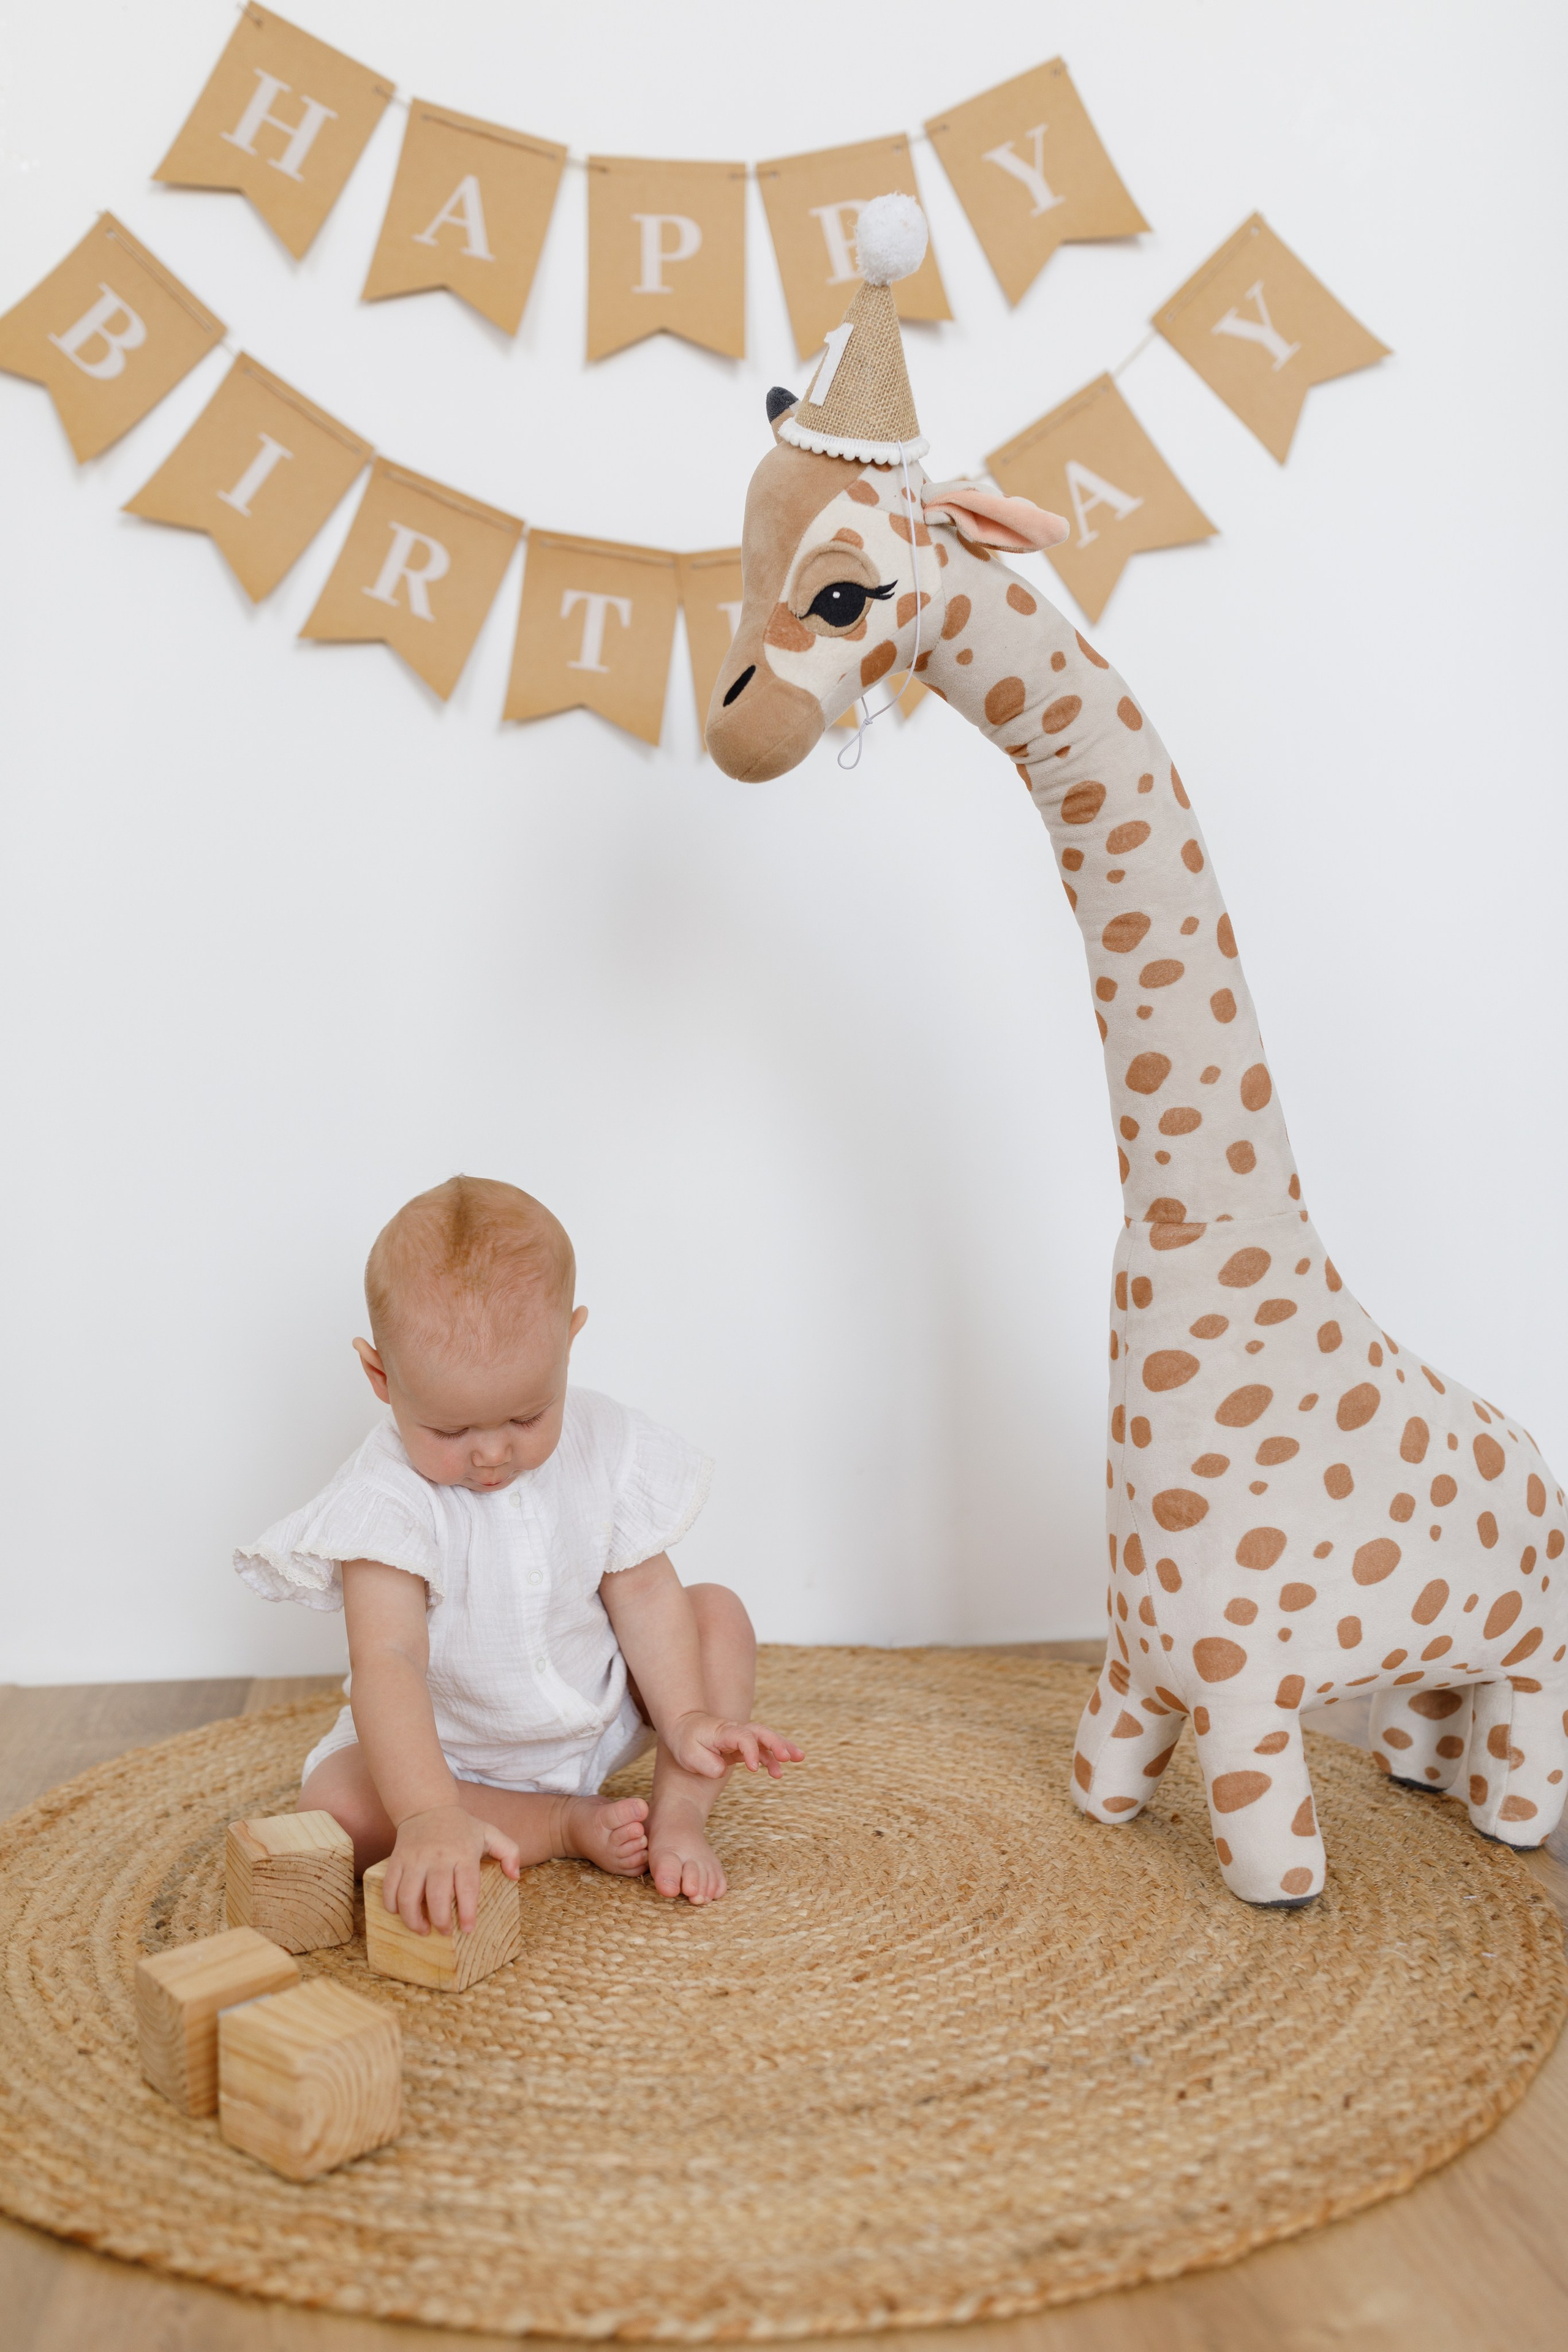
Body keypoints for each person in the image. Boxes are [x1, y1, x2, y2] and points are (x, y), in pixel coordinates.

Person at [235, 1175, 801, 1931]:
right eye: (449, 1431)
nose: (493, 1453)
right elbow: (389, 1662)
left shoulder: (605, 1442)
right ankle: (561, 1826)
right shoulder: (384, 1499)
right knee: (337, 1804)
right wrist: (428, 1811)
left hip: (598, 1709)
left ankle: (679, 1817)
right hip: (452, 1756)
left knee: (717, 1615)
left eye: (528, 1415)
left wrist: (686, 1713)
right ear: (381, 1378)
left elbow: (641, 1594)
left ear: (569, 1341)